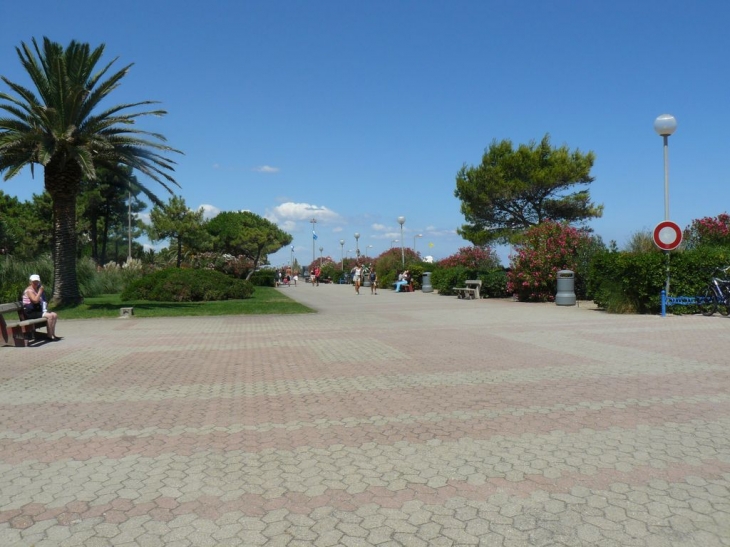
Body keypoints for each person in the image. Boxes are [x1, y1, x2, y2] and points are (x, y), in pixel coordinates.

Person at [22, 274, 59, 340]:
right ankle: (49, 336)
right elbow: (35, 301)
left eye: (37, 281)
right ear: (30, 282)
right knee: (50, 316)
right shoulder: (29, 290)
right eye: (34, 282)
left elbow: (43, 301)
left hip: (38, 310)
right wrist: (40, 292)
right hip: (30, 312)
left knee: (54, 315)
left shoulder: (37, 289)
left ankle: (53, 334)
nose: (36, 283)